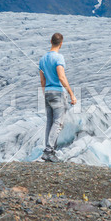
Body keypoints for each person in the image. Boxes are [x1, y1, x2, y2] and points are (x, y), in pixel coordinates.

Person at [39, 33, 77, 162]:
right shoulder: (59, 58)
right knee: (58, 123)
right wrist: (71, 94)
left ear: (51, 41)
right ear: (61, 44)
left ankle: (48, 150)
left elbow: (42, 81)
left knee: (50, 122)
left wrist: (46, 94)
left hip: (48, 92)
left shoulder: (42, 59)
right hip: (58, 93)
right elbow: (61, 77)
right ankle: (49, 151)